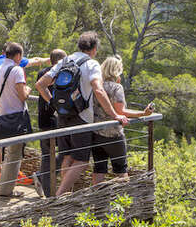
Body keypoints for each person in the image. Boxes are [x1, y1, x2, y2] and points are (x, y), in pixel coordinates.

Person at [35, 31, 128, 195]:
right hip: (82, 117)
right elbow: (98, 90)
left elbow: (40, 84)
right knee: (82, 161)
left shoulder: (65, 60)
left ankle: (64, 195)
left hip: (62, 115)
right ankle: (60, 195)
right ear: (94, 49)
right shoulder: (92, 64)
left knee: (67, 157)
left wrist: (53, 104)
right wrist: (115, 115)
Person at [0, 42, 49, 183]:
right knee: (13, 143)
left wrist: (44, 60)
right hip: (6, 108)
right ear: (16, 55)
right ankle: (9, 176)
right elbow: (33, 62)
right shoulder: (14, 66)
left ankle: (0, 173)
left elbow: (32, 61)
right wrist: (48, 61)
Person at [91, 56, 153, 185]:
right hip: (113, 135)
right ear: (117, 70)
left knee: (99, 168)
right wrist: (143, 113)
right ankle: (123, 200)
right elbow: (121, 111)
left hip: (96, 133)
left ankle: (97, 201)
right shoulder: (116, 88)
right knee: (121, 169)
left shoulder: (96, 86)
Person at [0, 42, 31, 197]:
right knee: (14, 155)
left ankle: (5, 187)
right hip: (17, 118)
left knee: (10, 153)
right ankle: (6, 190)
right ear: (18, 55)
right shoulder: (16, 70)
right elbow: (23, 95)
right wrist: (28, 89)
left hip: (3, 115)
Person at [31, 49, 67, 198]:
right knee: (64, 153)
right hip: (53, 119)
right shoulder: (56, 75)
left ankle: (44, 182)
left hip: (44, 119)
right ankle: (48, 191)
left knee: (48, 155)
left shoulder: (43, 73)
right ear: (59, 62)